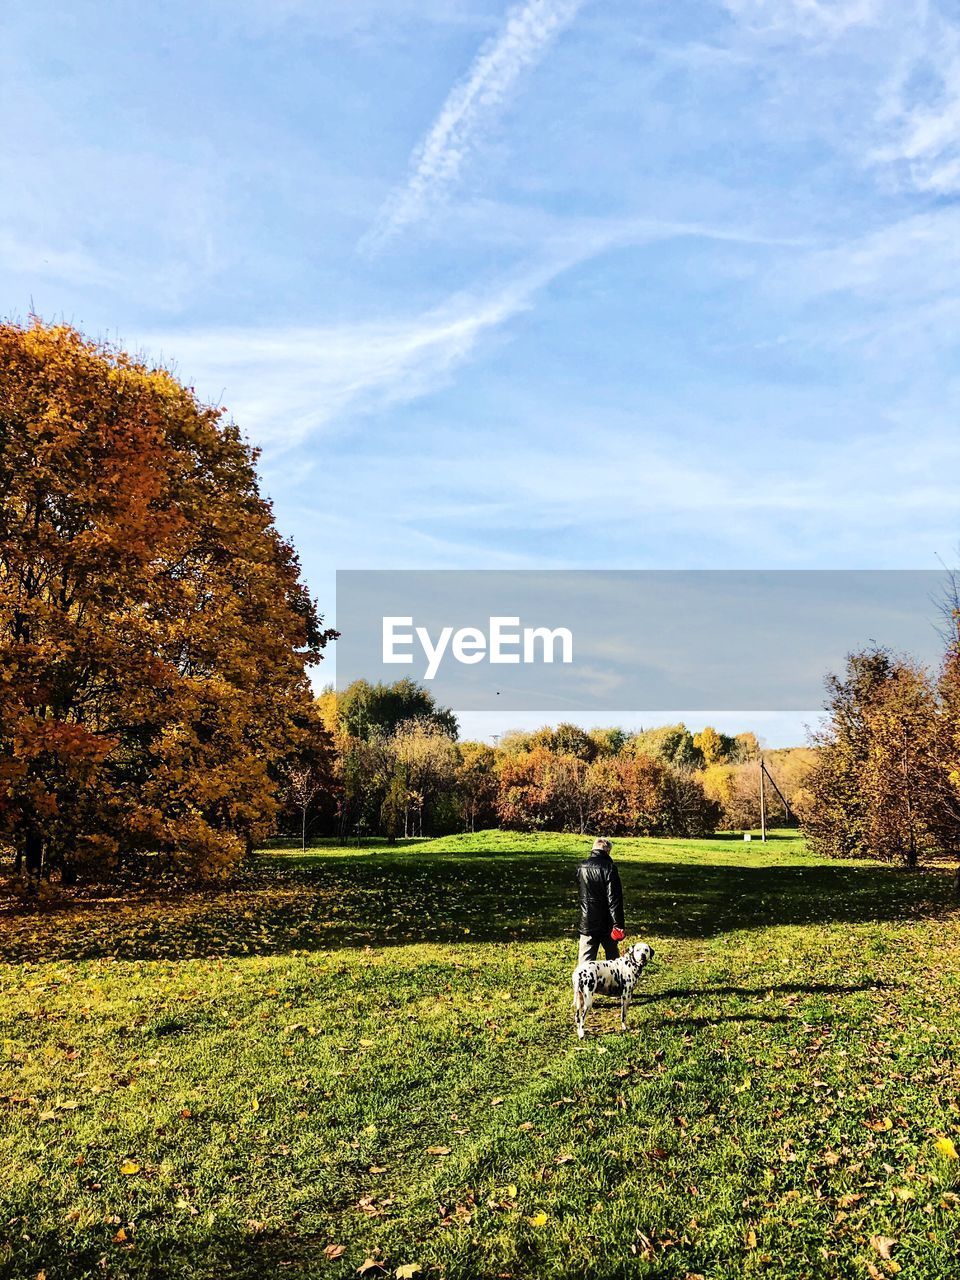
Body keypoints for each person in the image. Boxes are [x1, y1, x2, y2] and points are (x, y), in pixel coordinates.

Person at [575, 837, 626, 966]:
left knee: (585, 962)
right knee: (613, 961)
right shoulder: (609, 868)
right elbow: (614, 900)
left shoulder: (581, 867)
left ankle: (583, 985)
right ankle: (614, 984)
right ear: (607, 851)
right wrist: (618, 924)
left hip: (587, 919)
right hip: (606, 922)